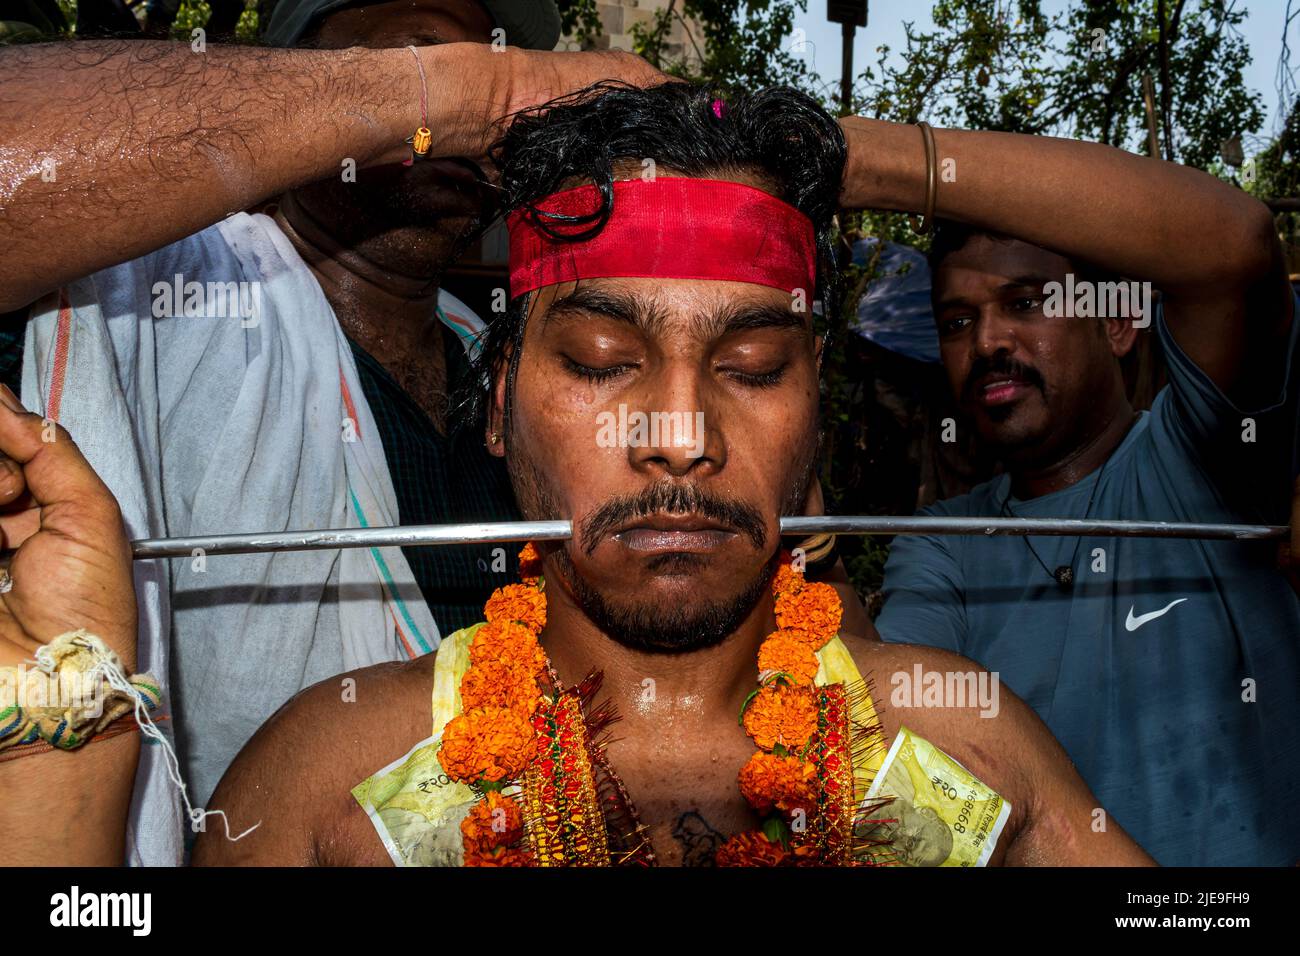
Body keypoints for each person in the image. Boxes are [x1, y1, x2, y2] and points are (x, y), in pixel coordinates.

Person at [0, 82, 1154, 867]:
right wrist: (68, 729)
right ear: (496, 406)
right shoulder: (324, 778)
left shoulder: (969, 748)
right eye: (604, 361)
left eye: (751, 366)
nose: (677, 430)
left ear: (817, 422)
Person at [0, 0, 663, 863]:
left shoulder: (530, 368)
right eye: (421, 59)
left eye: (485, 62)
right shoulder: (157, 298)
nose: (474, 116)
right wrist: (469, 90)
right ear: (293, 89)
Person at [869, 126, 1300, 862]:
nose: (989, 343)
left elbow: (1239, 246)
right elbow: (900, 757)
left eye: (1027, 302)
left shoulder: (1199, 456)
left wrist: (874, 161)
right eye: (957, 322)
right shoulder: (943, 540)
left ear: (1119, 320)